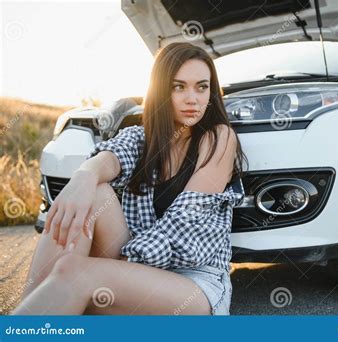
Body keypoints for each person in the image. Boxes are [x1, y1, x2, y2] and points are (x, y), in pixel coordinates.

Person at [11, 42, 247, 315]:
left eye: (201, 87)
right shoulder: (141, 137)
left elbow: (185, 225)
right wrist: (82, 179)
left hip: (193, 283)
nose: (192, 98)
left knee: (74, 272)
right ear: (160, 90)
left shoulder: (219, 138)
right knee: (90, 194)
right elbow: (109, 157)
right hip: (135, 268)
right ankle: (30, 316)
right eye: (178, 86)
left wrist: (120, 263)